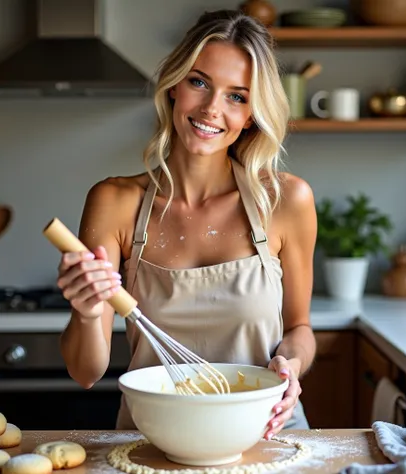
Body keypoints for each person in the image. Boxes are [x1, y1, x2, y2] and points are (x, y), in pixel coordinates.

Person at [56, 9, 317, 438]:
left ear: (252, 114)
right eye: (199, 82)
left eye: (237, 96)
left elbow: (299, 329)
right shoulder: (116, 203)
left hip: (268, 432)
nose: (212, 109)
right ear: (175, 85)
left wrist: (291, 365)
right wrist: (86, 314)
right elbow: (86, 373)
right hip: (154, 438)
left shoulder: (285, 201)